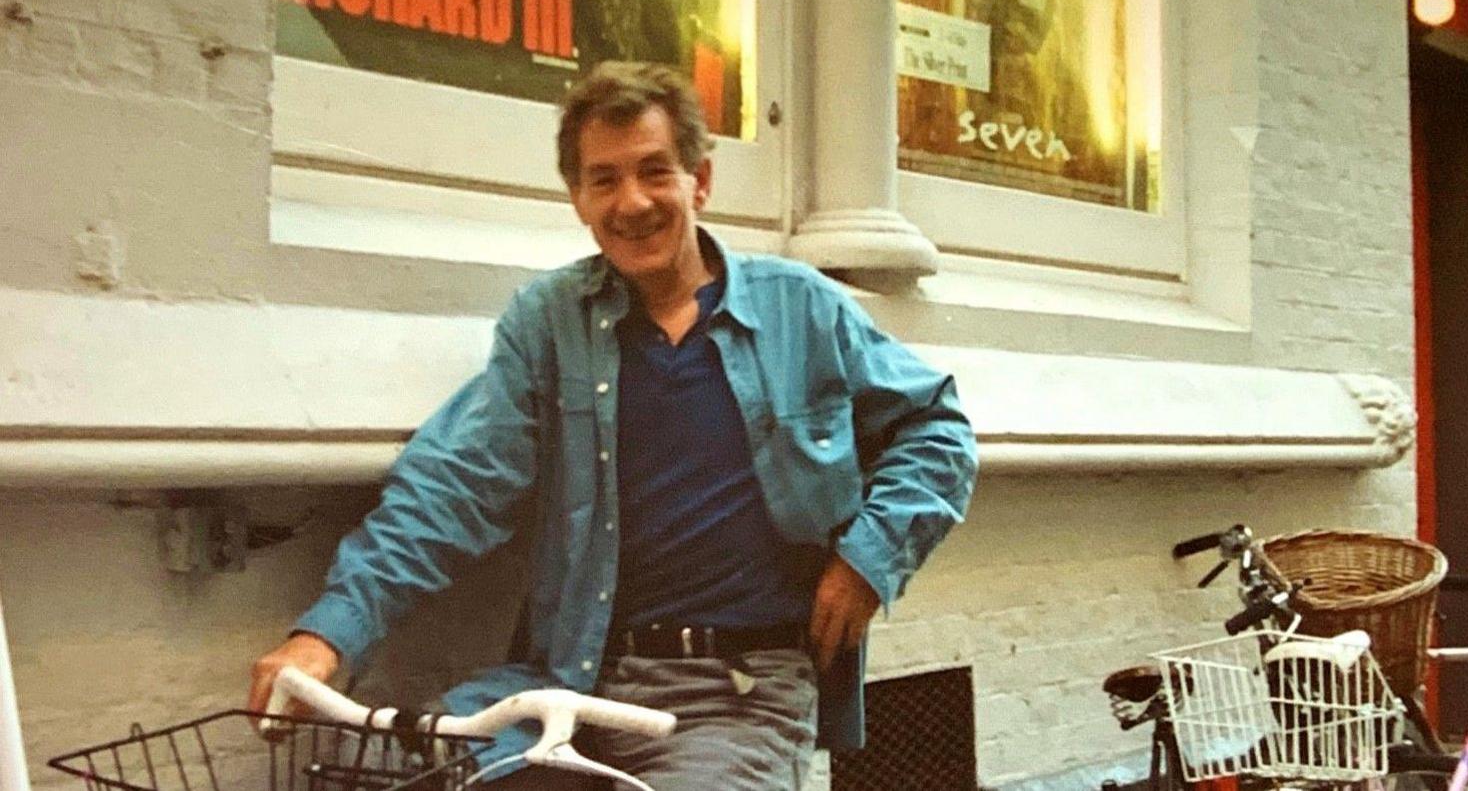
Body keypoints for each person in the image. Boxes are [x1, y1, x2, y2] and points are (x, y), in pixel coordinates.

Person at [246, 61, 978, 790]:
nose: (633, 202)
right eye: (605, 179)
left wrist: (866, 561)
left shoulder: (802, 308)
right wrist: (327, 634)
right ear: (578, 198)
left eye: (655, 171)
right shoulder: (550, 323)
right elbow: (451, 490)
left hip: (736, 695)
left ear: (700, 179)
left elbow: (937, 429)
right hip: (570, 679)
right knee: (391, 778)